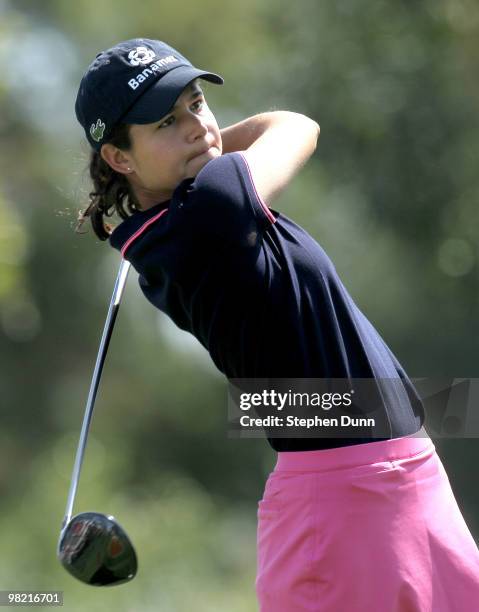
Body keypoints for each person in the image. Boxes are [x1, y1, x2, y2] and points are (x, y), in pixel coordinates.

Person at [74, 38, 479, 611]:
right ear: (119, 156)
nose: (197, 126)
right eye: (166, 121)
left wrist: (183, 151)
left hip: (405, 479)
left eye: (196, 104)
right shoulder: (210, 211)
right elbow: (294, 124)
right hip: (343, 509)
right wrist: (211, 150)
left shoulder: (184, 219)